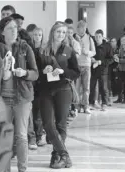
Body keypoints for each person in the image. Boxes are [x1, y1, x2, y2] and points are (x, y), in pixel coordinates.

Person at [36, 21, 80, 169]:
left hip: (63, 89)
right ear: (52, 32)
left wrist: (63, 71)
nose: (61, 35)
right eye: (58, 32)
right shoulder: (42, 50)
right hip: (46, 90)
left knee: (61, 124)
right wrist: (43, 71)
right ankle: (64, 154)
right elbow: (36, 71)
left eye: (63, 32)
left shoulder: (68, 50)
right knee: (48, 123)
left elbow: (76, 72)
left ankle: (56, 155)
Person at [0, 16, 39, 172]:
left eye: (15, 27)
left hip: (22, 97)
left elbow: (35, 73)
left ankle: (23, 169)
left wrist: (25, 73)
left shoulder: (24, 47)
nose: (14, 30)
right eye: (10, 28)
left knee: (21, 136)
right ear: (2, 32)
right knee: (4, 136)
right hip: (1, 98)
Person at [89, 29, 113, 111]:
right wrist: (91, 59)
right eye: (96, 36)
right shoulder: (92, 45)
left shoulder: (107, 46)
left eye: (99, 36)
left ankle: (104, 103)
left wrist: (101, 62)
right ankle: (91, 103)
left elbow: (111, 59)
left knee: (104, 87)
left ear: (102, 37)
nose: (97, 38)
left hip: (103, 70)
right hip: (93, 69)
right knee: (92, 86)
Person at [75, 20, 96, 114]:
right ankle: (77, 106)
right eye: (80, 27)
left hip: (86, 65)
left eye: (84, 27)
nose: (82, 29)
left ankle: (86, 106)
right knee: (77, 87)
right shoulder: (74, 38)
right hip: (77, 65)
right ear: (77, 28)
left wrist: (88, 53)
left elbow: (94, 52)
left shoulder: (89, 38)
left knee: (86, 88)